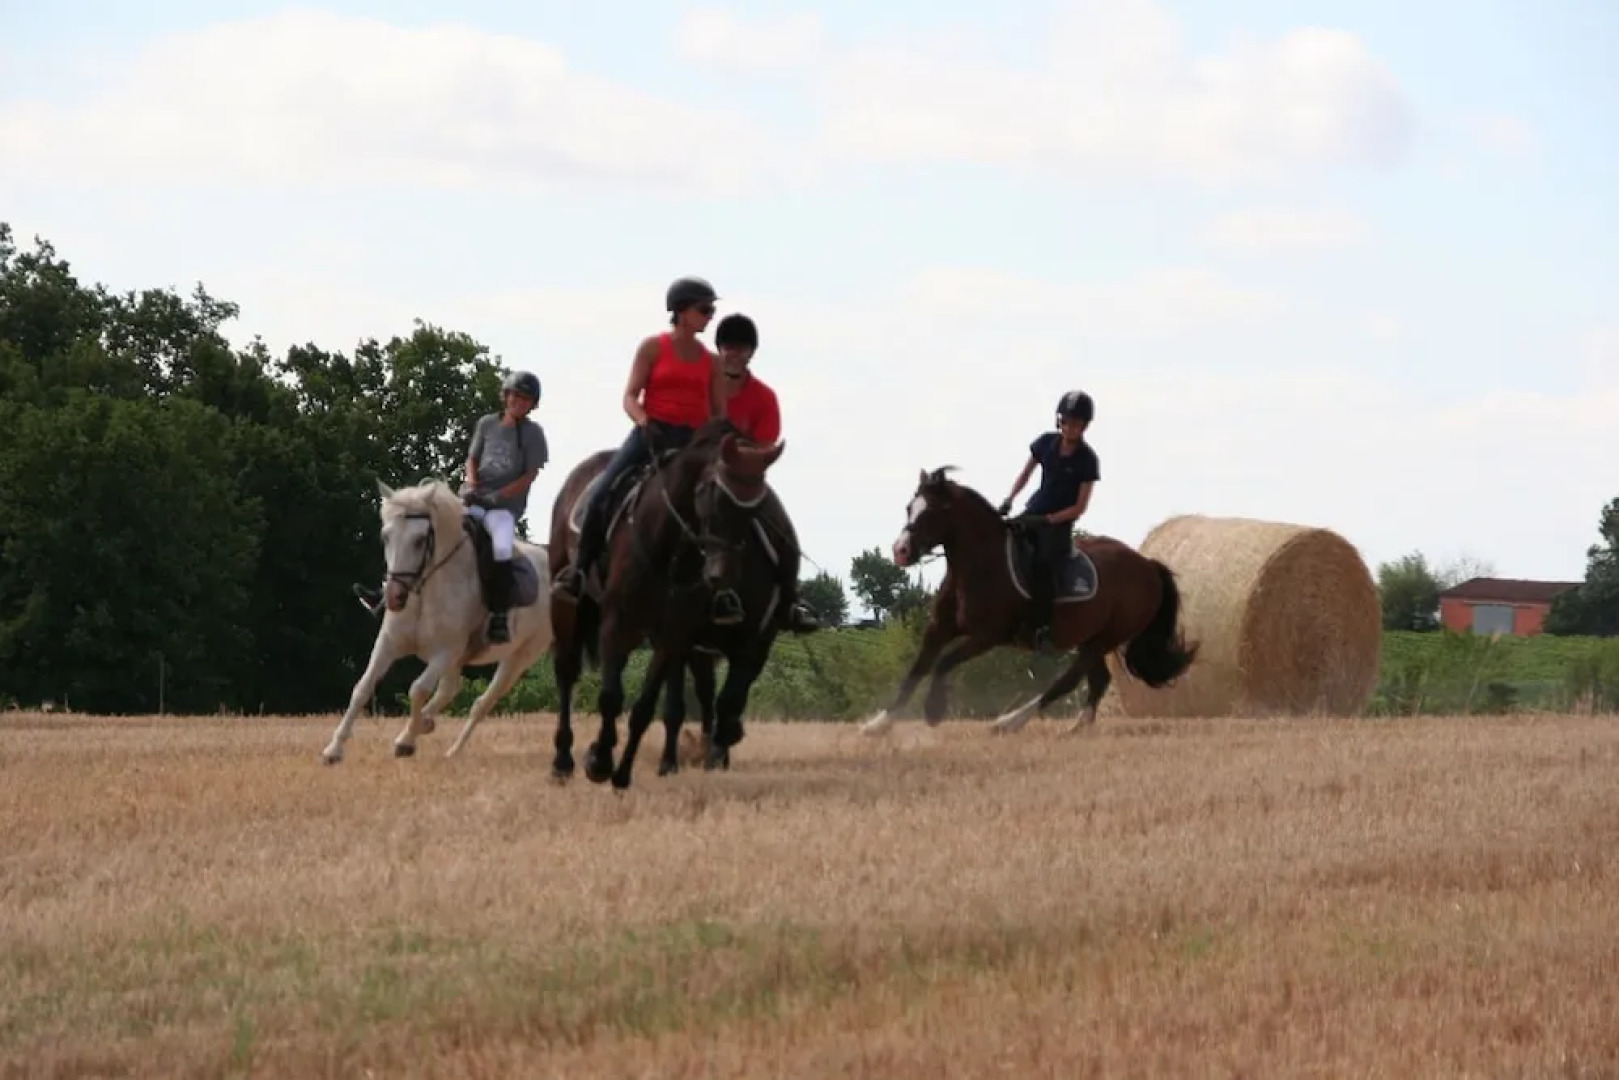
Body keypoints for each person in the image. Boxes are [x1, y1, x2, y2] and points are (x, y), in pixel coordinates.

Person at [553, 275, 737, 619]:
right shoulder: (653, 347)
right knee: (602, 491)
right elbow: (629, 396)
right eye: (705, 309)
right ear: (681, 311)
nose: (710, 316)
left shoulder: (712, 362)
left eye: (711, 309)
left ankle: (724, 593)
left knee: (729, 504)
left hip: (692, 444)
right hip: (651, 433)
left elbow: (718, 412)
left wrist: (719, 442)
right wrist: (643, 421)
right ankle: (578, 571)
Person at [713, 313, 821, 634]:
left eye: (741, 348)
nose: (734, 353)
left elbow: (765, 445)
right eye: (728, 347)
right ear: (719, 349)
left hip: (741, 477)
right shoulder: (701, 388)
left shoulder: (763, 396)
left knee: (783, 530)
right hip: (700, 473)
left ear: (750, 353)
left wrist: (739, 455)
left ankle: (790, 602)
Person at [998, 390, 1100, 652]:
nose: (1070, 428)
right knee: (1004, 544)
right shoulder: (1045, 443)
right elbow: (1025, 475)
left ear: (1084, 427)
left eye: (1076, 424)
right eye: (1066, 421)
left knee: (1043, 565)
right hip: (1034, 511)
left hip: (1059, 523)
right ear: (1059, 420)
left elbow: (1080, 507)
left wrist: (1052, 519)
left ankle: (1043, 628)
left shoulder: (1088, 460)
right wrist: (1010, 498)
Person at [460, 370, 550, 644]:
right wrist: (473, 485)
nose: (519, 402)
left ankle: (499, 615)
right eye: (515, 396)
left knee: (500, 548)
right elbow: (472, 459)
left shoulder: (534, 434)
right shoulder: (487, 424)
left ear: (532, 404)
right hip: (474, 496)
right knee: (430, 529)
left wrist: (498, 496)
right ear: (506, 396)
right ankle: (390, 591)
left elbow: (529, 476)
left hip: (504, 507)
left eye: (525, 399)